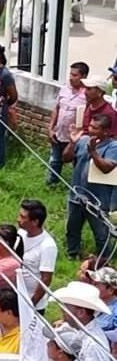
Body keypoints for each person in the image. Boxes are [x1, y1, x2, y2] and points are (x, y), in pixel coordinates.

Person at [64, 112, 117, 264]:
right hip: (77, 194)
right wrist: (72, 143)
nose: (90, 130)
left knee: (101, 234)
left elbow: (106, 168)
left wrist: (93, 152)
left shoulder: (113, 147)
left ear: (106, 131)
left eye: (95, 128)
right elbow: (65, 158)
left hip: (97, 199)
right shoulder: (83, 141)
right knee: (72, 228)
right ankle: (72, 254)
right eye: (90, 126)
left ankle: (103, 261)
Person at [49, 63, 90, 185]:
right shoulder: (65, 89)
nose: (71, 78)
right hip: (59, 133)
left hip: (75, 137)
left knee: (76, 164)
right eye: (70, 74)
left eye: (75, 75)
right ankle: (51, 185)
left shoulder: (87, 94)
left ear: (84, 76)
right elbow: (56, 108)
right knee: (54, 161)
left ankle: (75, 187)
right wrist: (50, 127)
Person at [19, 199, 59, 310]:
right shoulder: (20, 234)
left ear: (35, 222)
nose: (18, 220)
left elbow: (46, 279)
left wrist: (32, 303)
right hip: (16, 294)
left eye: (23, 217)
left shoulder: (47, 246)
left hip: (31, 302)